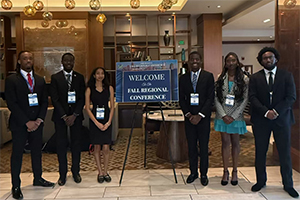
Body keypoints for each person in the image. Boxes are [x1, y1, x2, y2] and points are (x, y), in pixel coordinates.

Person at [249, 47, 299, 198]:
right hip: (261, 120)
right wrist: (265, 112)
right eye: (265, 58)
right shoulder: (255, 78)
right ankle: (261, 181)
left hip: (282, 119)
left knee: (285, 153)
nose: (268, 60)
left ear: (276, 58)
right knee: (260, 152)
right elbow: (252, 97)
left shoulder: (286, 76)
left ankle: (288, 184)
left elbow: (291, 97)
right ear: (261, 61)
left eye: (270, 57)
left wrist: (275, 112)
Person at [5, 51, 54, 199]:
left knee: (36, 152)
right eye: (25, 58)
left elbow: (44, 101)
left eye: (30, 58)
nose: (28, 61)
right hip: (20, 124)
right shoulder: (12, 80)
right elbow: (11, 103)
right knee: (17, 154)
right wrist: (26, 122)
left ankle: (38, 178)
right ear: (19, 61)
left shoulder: (39, 80)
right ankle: (16, 185)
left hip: (37, 124)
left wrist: (39, 120)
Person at [179, 51, 215, 185]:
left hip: (203, 118)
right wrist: (188, 114)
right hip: (189, 119)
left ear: (201, 61)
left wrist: (200, 115)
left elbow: (210, 98)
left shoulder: (208, 76)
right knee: (192, 147)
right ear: (188, 62)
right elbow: (181, 99)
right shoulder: (183, 78)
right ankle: (193, 172)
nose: (194, 61)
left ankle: (204, 174)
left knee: (204, 147)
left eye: (197, 59)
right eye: (192, 59)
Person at [50, 53, 85, 186]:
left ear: (74, 62)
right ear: (62, 62)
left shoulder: (79, 77)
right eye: (66, 60)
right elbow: (55, 99)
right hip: (60, 117)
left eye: (71, 60)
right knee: (61, 145)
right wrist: (64, 116)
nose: (69, 62)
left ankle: (76, 172)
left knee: (76, 145)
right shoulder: (55, 78)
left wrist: (74, 115)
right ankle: (62, 174)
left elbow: (82, 98)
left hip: (76, 117)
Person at [214, 52, 248, 186]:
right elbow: (216, 97)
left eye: (233, 60)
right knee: (225, 143)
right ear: (225, 63)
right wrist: (223, 114)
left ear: (237, 62)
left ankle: (235, 171)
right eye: (228, 61)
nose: (231, 63)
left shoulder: (244, 79)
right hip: (222, 116)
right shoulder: (220, 78)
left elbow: (245, 99)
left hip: (236, 116)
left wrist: (233, 116)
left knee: (235, 143)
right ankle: (225, 171)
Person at [85, 67, 114, 183]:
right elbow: (87, 108)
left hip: (106, 118)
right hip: (95, 119)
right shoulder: (89, 89)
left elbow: (112, 106)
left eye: (102, 73)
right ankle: (100, 172)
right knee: (97, 146)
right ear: (94, 75)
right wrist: (96, 123)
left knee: (106, 147)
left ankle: (106, 171)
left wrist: (109, 122)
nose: (100, 76)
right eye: (98, 73)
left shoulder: (109, 88)